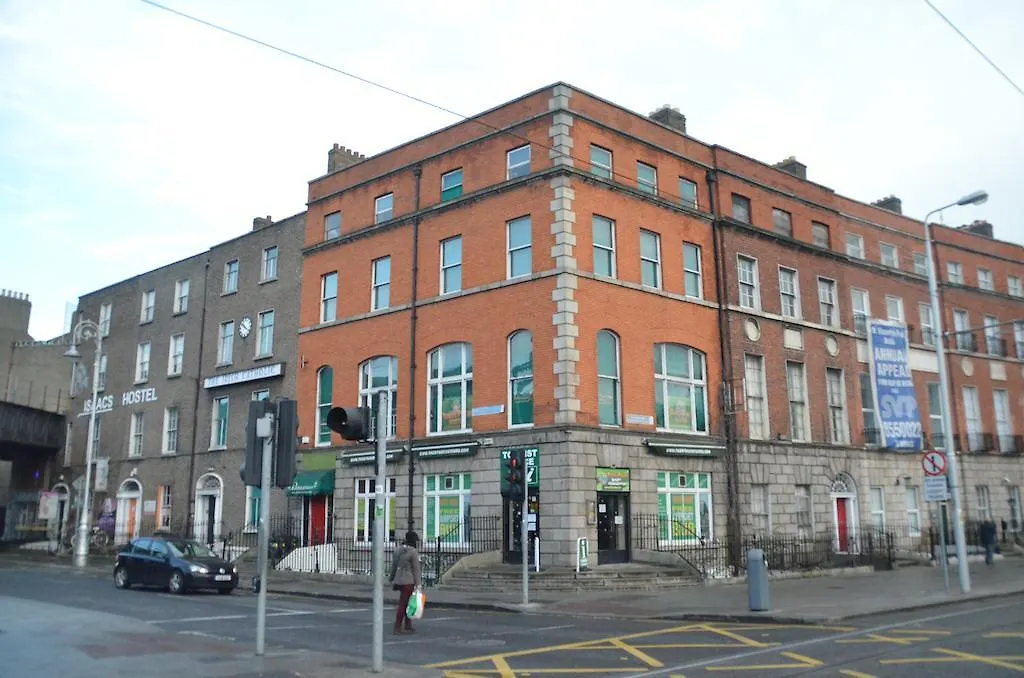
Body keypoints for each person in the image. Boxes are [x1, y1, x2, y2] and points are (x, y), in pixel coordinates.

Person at [388, 530, 422, 634]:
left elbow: (394, 566)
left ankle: (408, 625)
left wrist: (391, 578)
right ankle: (398, 626)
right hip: (409, 581)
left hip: (399, 581)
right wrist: (418, 584)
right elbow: (416, 570)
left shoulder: (398, 550)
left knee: (406, 603)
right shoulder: (413, 552)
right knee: (404, 604)